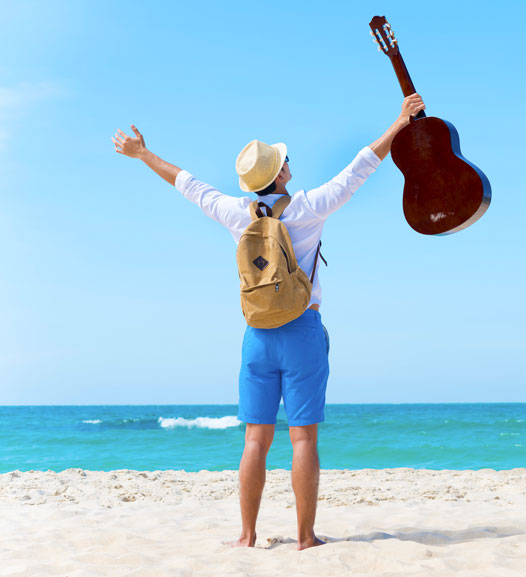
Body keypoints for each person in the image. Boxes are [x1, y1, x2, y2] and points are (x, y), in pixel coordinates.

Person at [112, 93, 426, 550]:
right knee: (302, 440)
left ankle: (246, 535)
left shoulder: (236, 213)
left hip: (257, 335)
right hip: (302, 330)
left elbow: (187, 183)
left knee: (255, 439)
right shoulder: (307, 207)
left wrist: (141, 155)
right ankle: (304, 537)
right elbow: (361, 167)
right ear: (280, 174)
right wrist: (399, 122)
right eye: (284, 161)